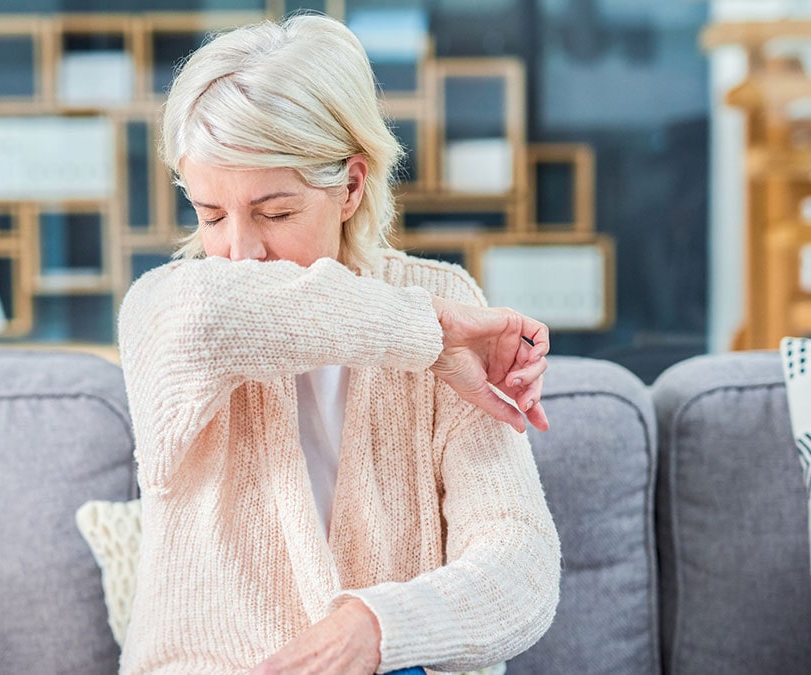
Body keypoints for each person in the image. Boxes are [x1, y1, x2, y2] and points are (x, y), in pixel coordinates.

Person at [117, 13, 561, 675]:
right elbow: (214, 316)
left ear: (351, 185)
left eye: (275, 211)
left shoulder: (442, 292)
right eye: (211, 214)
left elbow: (521, 562)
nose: (240, 252)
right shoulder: (167, 309)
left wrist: (383, 626)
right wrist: (427, 337)